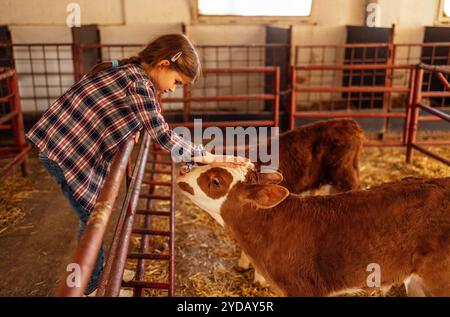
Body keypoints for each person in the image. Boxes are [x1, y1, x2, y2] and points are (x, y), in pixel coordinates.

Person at [25, 33, 211, 295]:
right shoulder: (138, 82)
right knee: (92, 220)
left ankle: (103, 274)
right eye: (177, 82)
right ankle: (91, 287)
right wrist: (201, 154)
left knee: (95, 214)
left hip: (69, 148)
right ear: (164, 64)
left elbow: (119, 109)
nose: (173, 89)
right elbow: (162, 135)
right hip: (65, 153)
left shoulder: (131, 73)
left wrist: (131, 126)